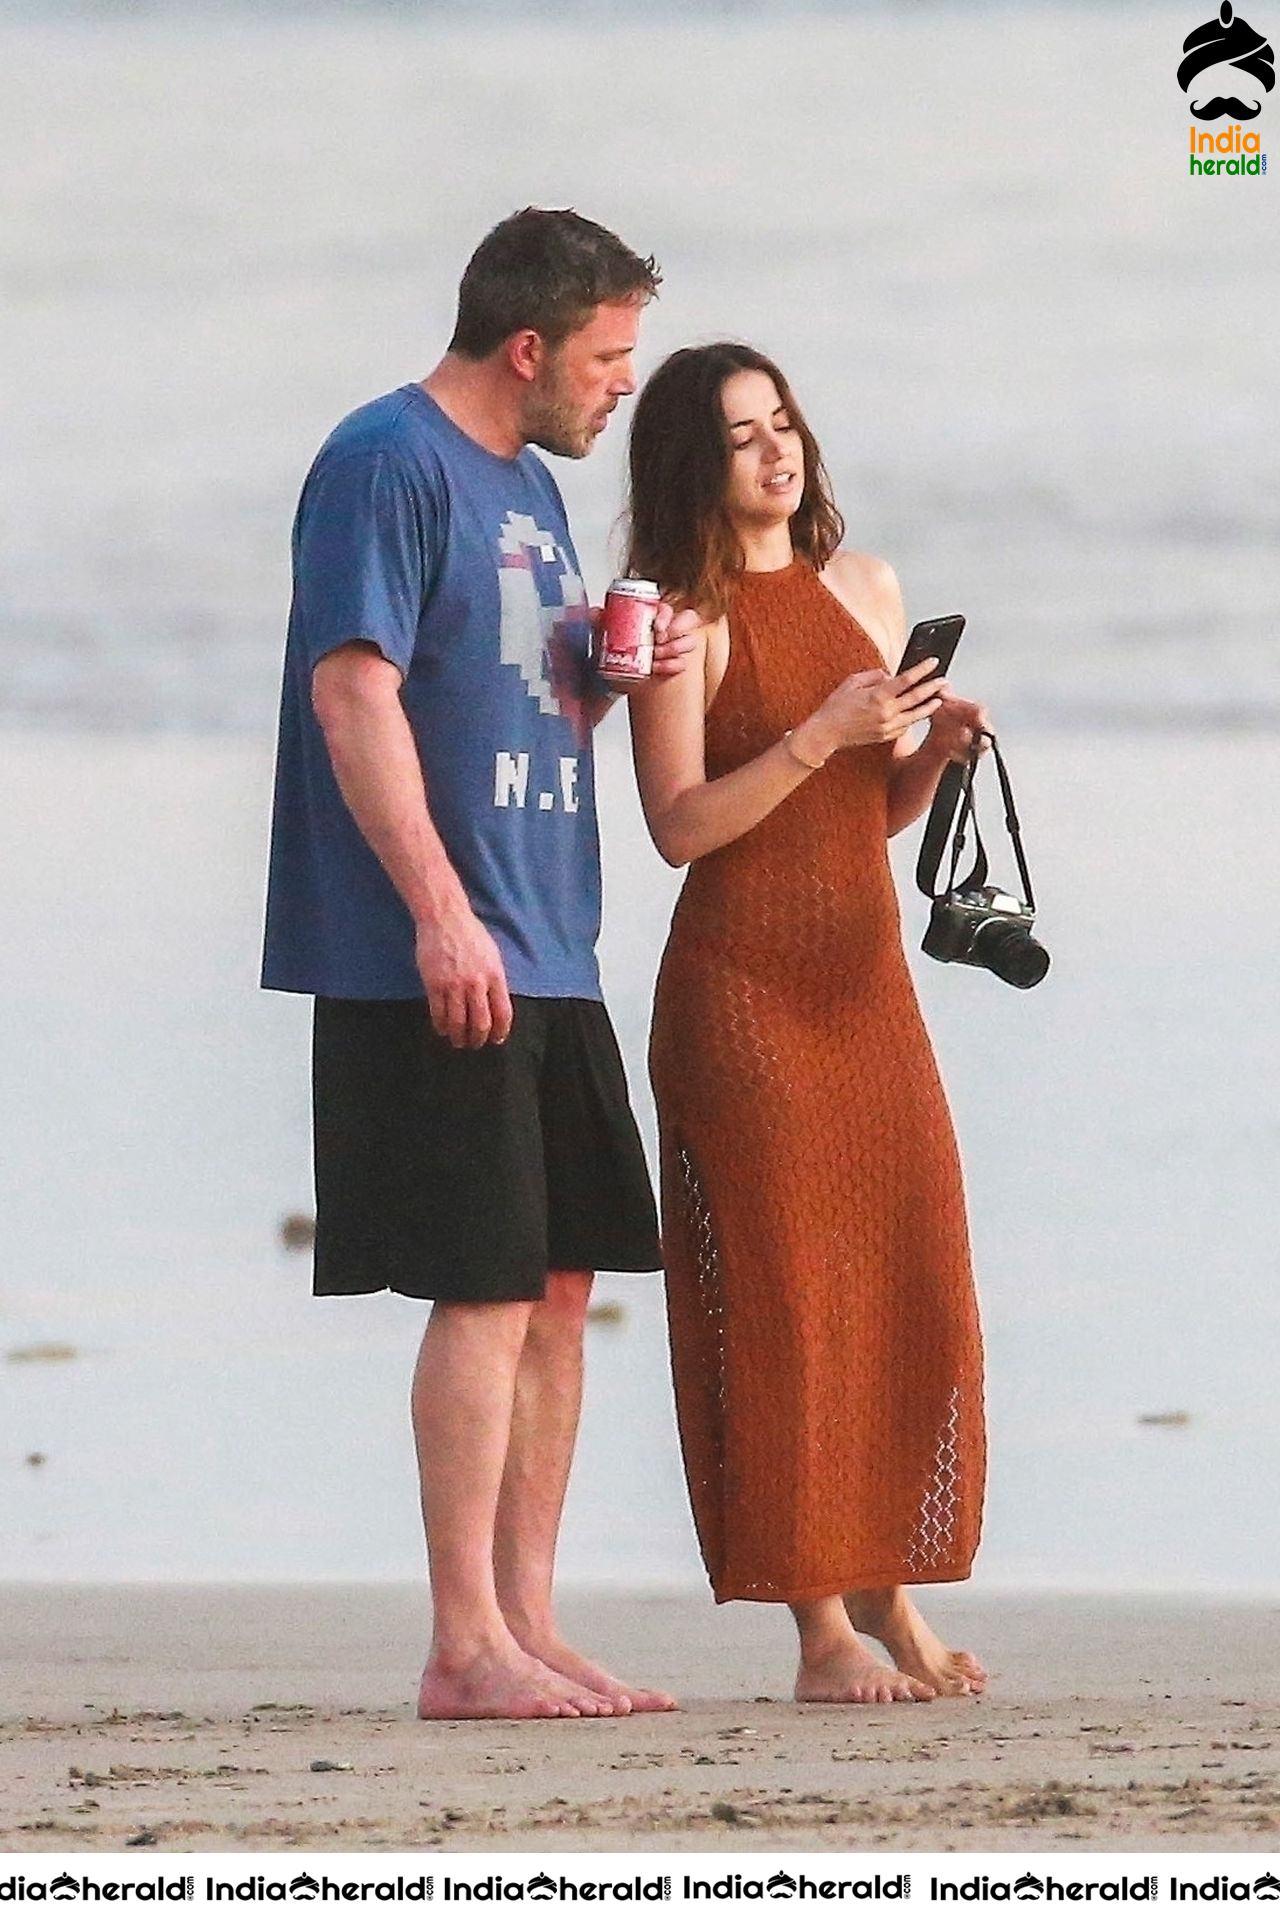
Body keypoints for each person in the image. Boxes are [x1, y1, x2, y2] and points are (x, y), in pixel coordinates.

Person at [262, 209, 697, 1721]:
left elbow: (500, 687)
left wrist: (610, 670)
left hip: (551, 935)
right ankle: (463, 1645)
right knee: (486, 1282)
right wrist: (440, 911)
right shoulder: (384, 459)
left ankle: (527, 1621)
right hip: (431, 947)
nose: (621, 386)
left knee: (564, 1283)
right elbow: (353, 693)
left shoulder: (525, 486)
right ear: (530, 348)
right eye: (607, 357)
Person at [625, 342, 989, 1705]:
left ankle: (891, 1594)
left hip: (867, 988)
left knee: (902, 1269)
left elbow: (866, 817)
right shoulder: (683, 621)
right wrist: (814, 735)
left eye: (783, 424)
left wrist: (929, 757)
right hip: (742, 996)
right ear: (693, 467)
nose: (777, 452)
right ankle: (819, 1629)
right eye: (739, 437)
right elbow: (678, 828)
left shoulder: (868, 588)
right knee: (785, 1302)